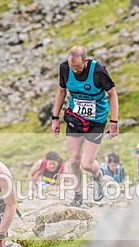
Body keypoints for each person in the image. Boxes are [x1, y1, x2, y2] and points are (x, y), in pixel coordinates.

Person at [51, 45, 120, 207]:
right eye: (72, 67)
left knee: (87, 164)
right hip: (75, 118)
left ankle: (98, 177)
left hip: (97, 120)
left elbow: (113, 95)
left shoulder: (98, 71)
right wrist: (55, 118)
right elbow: (61, 92)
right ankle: (78, 196)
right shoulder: (65, 68)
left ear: (86, 61)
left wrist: (114, 122)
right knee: (74, 161)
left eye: (78, 67)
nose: (74, 71)